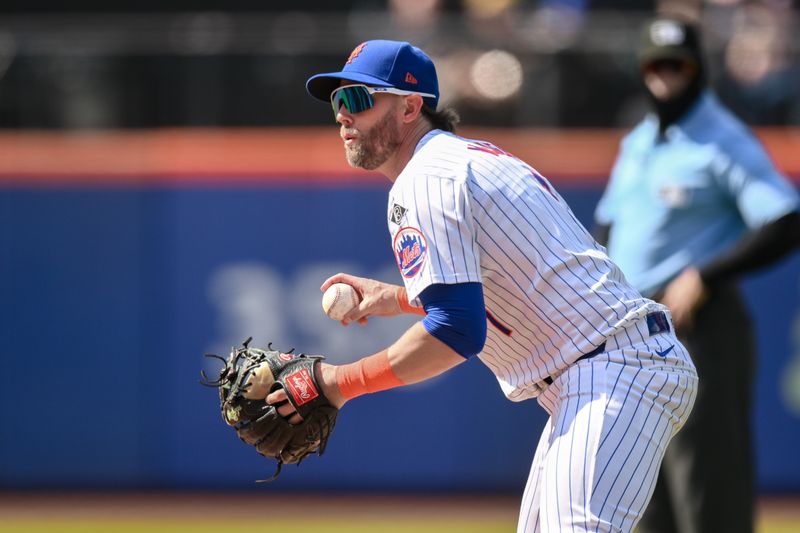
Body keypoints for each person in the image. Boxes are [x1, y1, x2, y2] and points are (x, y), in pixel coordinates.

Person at [270, 39, 698, 532]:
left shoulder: (425, 180)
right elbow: (512, 284)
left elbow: (457, 332)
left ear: (411, 107)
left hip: (614, 370)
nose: (343, 116)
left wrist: (337, 383)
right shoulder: (454, 163)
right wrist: (399, 298)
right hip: (603, 369)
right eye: (338, 102)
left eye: (360, 100)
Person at [593, 16, 800, 533]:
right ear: (642, 69)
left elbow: (785, 220)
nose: (666, 76)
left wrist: (705, 276)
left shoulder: (721, 138)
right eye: (655, 64)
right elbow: (607, 227)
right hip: (634, 336)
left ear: (698, 69)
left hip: (698, 329)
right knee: (640, 501)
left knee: (708, 494)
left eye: (678, 65)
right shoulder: (639, 139)